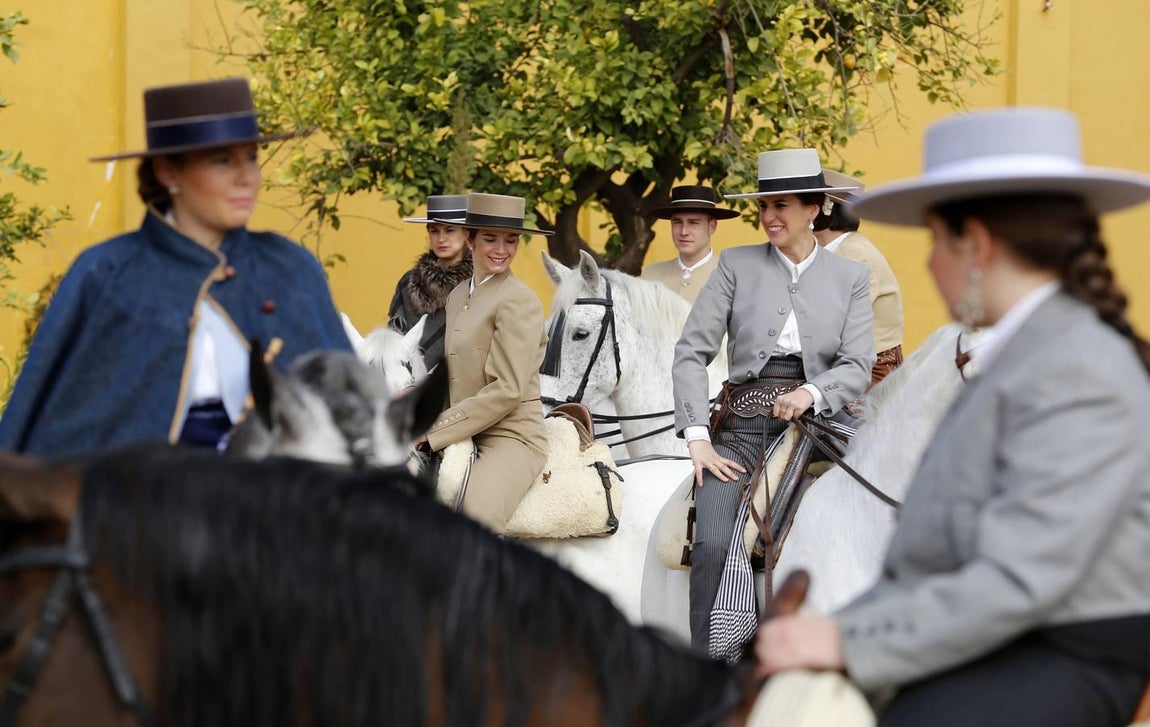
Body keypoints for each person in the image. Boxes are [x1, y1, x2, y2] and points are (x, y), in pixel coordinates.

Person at [756, 108, 1150, 727]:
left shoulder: (1079, 365)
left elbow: (1024, 577)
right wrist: (834, 630)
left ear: (978, 246)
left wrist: (845, 642)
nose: (930, 264)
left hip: (1065, 656)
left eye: (936, 241)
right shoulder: (1013, 357)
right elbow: (933, 559)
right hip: (999, 643)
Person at [0, 78, 351, 456]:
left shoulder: (289, 267)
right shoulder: (107, 272)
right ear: (168, 172)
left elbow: (352, 412)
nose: (246, 177)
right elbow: (53, 424)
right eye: (222, 160)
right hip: (137, 500)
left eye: (251, 157)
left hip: (278, 500)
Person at [673, 149, 875, 657]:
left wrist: (811, 392)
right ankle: (714, 669)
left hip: (826, 424)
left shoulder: (850, 278)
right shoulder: (735, 264)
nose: (769, 217)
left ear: (814, 209)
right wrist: (697, 438)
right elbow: (690, 353)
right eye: (764, 205)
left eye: (781, 205)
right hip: (741, 428)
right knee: (716, 542)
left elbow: (856, 365)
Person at [421, 193, 551, 532]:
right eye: (490, 238)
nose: (501, 249)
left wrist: (432, 430)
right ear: (470, 238)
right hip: (464, 428)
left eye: (511, 240)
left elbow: (507, 390)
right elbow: (456, 373)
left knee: (475, 522)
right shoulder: (458, 294)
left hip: (509, 437)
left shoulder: (519, 299)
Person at [814, 170, 905, 386]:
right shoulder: (833, 250)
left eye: (809, 205)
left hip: (870, 372)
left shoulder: (856, 255)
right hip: (840, 364)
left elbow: (830, 324)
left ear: (826, 210)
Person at [387, 194, 473, 371]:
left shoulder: (479, 284)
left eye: (449, 230)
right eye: (434, 231)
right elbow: (394, 336)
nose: (441, 238)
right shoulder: (409, 281)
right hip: (408, 381)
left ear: (466, 234)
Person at [641, 185, 740, 303]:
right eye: (677, 222)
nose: (683, 232)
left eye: (693, 222)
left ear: (712, 227)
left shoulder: (731, 276)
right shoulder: (651, 273)